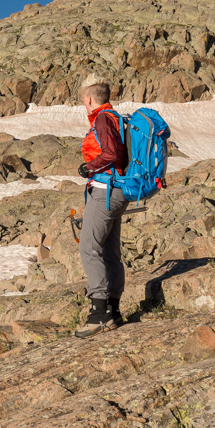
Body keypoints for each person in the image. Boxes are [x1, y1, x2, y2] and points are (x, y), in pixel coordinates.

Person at [74, 74, 128, 338]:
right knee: (109, 251)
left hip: (105, 191)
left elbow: (111, 153)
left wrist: (89, 167)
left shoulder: (103, 119)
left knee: (89, 248)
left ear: (89, 99)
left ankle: (98, 315)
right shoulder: (115, 117)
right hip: (117, 191)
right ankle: (113, 311)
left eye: (84, 101)